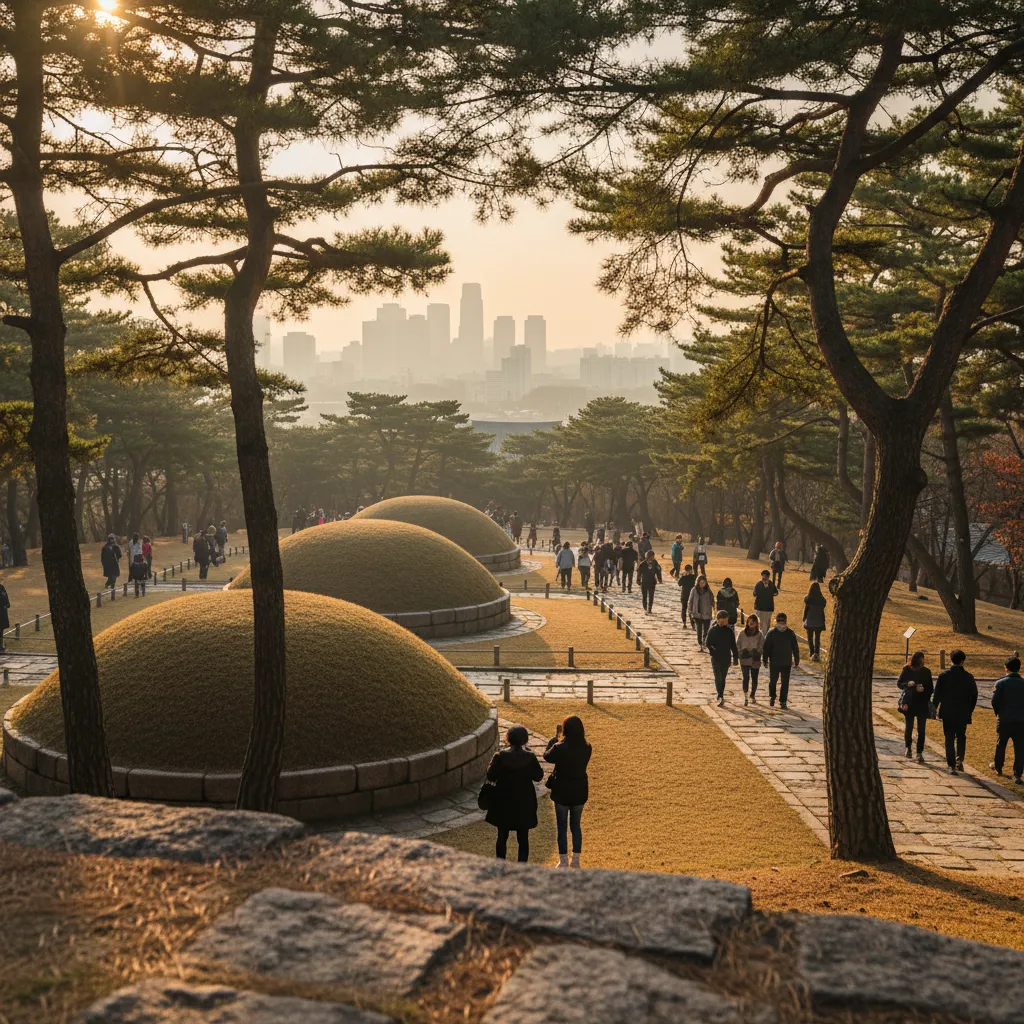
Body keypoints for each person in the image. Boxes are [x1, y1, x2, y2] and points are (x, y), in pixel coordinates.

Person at [486, 725, 544, 862]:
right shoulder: (530, 757)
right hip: (524, 801)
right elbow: (538, 776)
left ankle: (500, 864)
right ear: (525, 739)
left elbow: (490, 776)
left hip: (503, 800)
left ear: (508, 738)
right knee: (523, 838)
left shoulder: (500, 756)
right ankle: (522, 866)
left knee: (502, 836)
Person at [544, 715, 592, 868]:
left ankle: (563, 861)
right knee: (576, 826)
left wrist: (552, 742)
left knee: (562, 826)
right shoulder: (587, 747)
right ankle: (576, 860)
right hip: (579, 790)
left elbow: (547, 757)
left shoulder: (559, 747)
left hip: (562, 791)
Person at [932, 650, 977, 775]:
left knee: (949, 738)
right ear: (963, 661)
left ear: (951, 660)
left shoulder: (944, 676)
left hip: (947, 711)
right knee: (961, 736)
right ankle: (959, 760)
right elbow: (974, 696)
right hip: (963, 711)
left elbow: (937, 694)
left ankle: (951, 765)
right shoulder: (968, 677)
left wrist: (934, 708)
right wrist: (970, 710)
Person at [990, 656, 1024, 784]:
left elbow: (995, 702)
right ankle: (1018, 774)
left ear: (1006, 667)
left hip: (1005, 719)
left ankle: (998, 767)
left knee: (1001, 744)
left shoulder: (1001, 683)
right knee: (1020, 747)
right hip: (1021, 720)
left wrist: (999, 713)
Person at [897, 650, 934, 762]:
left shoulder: (927, 671)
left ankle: (919, 752)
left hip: (922, 703)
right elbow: (899, 683)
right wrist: (907, 684)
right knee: (909, 726)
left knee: (921, 729)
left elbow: (931, 688)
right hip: (909, 702)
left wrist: (923, 690)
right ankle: (908, 747)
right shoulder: (906, 669)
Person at [763, 612, 800, 709]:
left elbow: (795, 648)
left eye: (782, 621)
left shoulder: (790, 633)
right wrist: (765, 659)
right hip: (774, 662)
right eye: (779, 621)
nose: (781, 623)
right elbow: (766, 647)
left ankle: (783, 701)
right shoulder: (771, 633)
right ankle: (772, 696)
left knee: (785, 683)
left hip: (786, 662)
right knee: (773, 682)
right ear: (776, 621)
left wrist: (796, 660)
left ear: (786, 622)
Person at [706, 610, 739, 706]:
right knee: (718, 676)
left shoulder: (729, 631)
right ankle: (720, 694)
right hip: (716, 657)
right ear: (718, 620)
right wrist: (713, 652)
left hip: (726, 657)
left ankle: (721, 693)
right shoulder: (713, 630)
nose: (725, 622)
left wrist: (736, 657)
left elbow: (733, 645)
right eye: (723, 621)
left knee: (723, 677)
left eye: (726, 621)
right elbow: (708, 643)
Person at [737, 614, 764, 705]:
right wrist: (741, 652)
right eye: (750, 621)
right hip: (744, 658)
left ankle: (753, 694)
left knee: (754, 677)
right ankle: (746, 694)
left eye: (754, 622)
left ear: (757, 623)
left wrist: (757, 652)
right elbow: (738, 645)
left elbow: (762, 646)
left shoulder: (759, 634)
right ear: (747, 622)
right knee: (746, 677)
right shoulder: (742, 633)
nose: (751, 623)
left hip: (755, 658)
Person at [688, 574, 714, 651]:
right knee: (699, 630)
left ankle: (704, 643)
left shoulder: (708, 591)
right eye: (701, 582)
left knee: (706, 630)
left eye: (704, 582)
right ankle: (700, 643)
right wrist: (690, 611)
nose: (702, 584)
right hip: (697, 614)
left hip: (706, 614)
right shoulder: (694, 590)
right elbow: (690, 601)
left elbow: (712, 601)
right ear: (698, 582)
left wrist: (713, 608)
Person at [803, 581, 827, 662]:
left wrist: (804, 618)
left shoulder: (808, 599)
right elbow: (823, 606)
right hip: (819, 621)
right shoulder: (822, 600)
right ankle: (817, 653)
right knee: (817, 638)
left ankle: (811, 652)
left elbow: (806, 610)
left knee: (810, 638)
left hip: (810, 620)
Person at [677, 563, 696, 628]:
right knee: (691, 610)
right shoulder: (694, 577)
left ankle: (684, 623)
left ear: (685, 570)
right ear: (691, 570)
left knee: (684, 609)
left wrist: (683, 575)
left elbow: (679, 584)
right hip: (691, 595)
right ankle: (693, 624)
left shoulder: (683, 577)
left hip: (684, 595)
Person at [0, 576, 10, 652]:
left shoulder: (1, 587)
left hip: (2, 611)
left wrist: (7, 604)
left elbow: (5, 597)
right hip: (1, 611)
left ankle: (1, 645)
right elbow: (4, 597)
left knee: (1, 629)